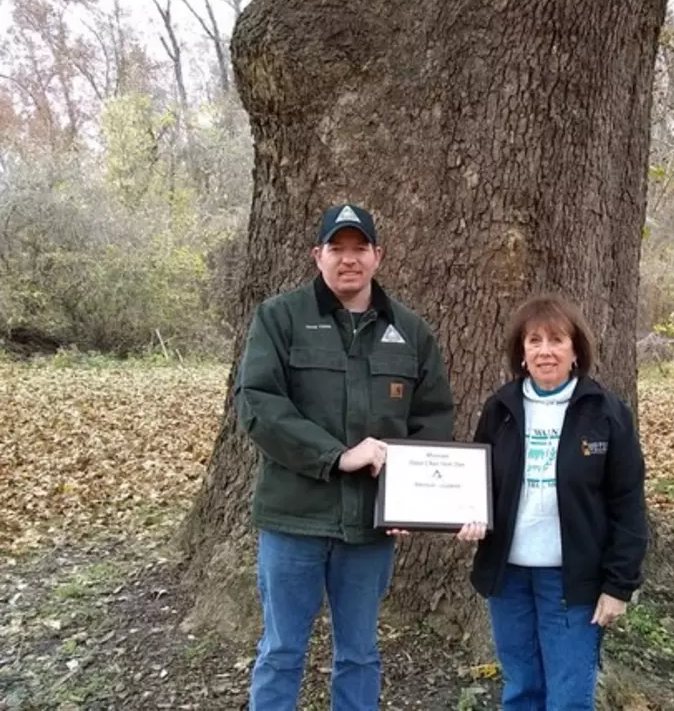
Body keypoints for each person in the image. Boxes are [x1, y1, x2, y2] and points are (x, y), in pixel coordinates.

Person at [234, 203, 458, 711]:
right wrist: (336, 457)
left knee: (359, 654)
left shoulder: (411, 331)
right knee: (281, 650)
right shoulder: (279, 318)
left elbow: (433, 417)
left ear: (378, 256)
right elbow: (259, 406)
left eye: (360, 249)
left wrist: (411, 498)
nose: (349, 260)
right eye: (338, 248)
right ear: (318, 255)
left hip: (368, 529)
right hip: (294, 520)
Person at [469, 293, 649, 711]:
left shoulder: (606, 412)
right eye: (534, 341)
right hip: (508, 576)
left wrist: (619, 585)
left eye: (557, 340)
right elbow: (476, 484)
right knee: (520, 690)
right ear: (521, 352)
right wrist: (469, 517)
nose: (545, 351)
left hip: (571, 581)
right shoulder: (501, 409)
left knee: (568, 697)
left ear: (576, 350)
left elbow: (628, 504)